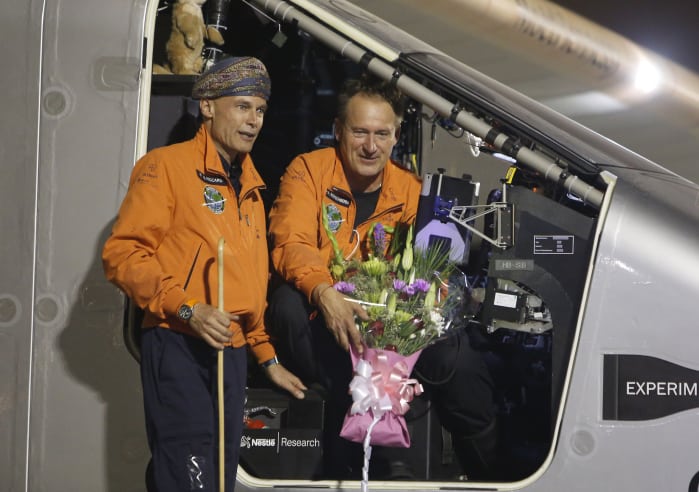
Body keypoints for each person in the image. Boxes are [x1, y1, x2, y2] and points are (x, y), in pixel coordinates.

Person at [266, 74, 498, 480]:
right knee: (286, 302)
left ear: (395, 137)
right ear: (338, 131)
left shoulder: (412, 191)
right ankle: (358, 437)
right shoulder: (308, 171)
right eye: (359, 132)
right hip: (327, 329)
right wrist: (324, 292)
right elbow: (291, 242)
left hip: (390, 337)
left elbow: (431, 273)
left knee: (457, 358)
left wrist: (404, 329)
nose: (370, 146)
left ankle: (495, 473)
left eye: (381, 134)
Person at [102, 56, 306, 492]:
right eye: (242, 107)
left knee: (216, 477)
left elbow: (249, 285)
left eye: (261, 110)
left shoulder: (251, 186)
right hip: (179, 343)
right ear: (208, 106)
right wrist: (188, 308)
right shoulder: (166, 167)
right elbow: (123, 254)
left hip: (229, 351)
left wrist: (265, 355)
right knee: (189, 470)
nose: (254, 121)